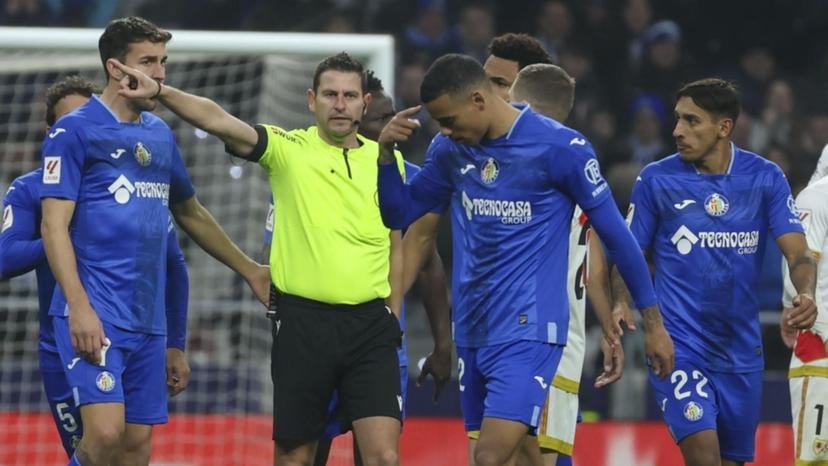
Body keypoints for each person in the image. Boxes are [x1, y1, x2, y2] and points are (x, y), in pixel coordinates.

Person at [376, 53, 674, 466]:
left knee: (490, 456)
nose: (445, 132)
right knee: (522, 456)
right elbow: (399, 213)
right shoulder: (449, 150)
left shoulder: (560, 148)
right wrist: (385, 156)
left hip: (530, 331)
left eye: (449, 120)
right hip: (474, 332)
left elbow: (617, 239)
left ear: (478, 100)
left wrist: (653, 323)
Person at [114, 52, 406, 466]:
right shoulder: (289, 150)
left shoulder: (387, 162)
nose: (340, 104)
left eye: (349, 95)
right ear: (311, 100)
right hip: (304, 324)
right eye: (330, 95)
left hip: (370, 328)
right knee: (294, 459)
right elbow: (218, 119)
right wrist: (160, 91)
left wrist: (394, 309)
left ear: (364, 101)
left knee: (384, 457)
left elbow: (402, 240)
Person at [39, 17, 269, 466]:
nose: (160, 73)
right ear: (115, 68)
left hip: (148, 320)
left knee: (134, 450)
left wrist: (250, 270)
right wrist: (79, 307)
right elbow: (53, 227)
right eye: (148, 62)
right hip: (96, 313)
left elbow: (190, 212)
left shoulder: (160, 134)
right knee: (103, 438)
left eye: (163, 62)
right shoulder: (75, 131)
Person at [620, 78, 818, 466]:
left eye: (691, 121)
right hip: (680, 346)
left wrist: (806, 293)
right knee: (704, 459)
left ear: (724, 127)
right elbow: (628, 254)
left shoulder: (765, 178)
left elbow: (798, 255)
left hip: (741, 351)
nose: (677, 131)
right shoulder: (657, 179)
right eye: (677, 120)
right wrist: (649, 323)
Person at [259, 70, 453, 466]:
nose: (393, 125)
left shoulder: (410, 181)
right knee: (310, 451)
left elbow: (431, 263)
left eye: (393, 114)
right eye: (382, 119)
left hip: (378, 335)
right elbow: (277, 256)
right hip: (317, 333)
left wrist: (442, 343)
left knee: (379, 455)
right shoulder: (305, 179)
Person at [0, 75, 190, 459]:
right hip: (64, 339)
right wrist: (61, 232)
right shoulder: (31, 190)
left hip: (130, 329)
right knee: (99, 444)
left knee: (130, 446)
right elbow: (5, 257)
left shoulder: (132, 188)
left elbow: (174, 263)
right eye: (71, 120)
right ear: (52, 131)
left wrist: (177, 342)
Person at [509, 63, 627, 466]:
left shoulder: (535, 166)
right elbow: (592, 266)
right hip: (565, 339)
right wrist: (610, 330)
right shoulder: (577, 168)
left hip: (541, 333)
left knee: (527, 454)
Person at [780, 151, 828, 466]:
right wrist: (793, 306)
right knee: (816, 459)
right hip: (821, 346)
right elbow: (799, 261)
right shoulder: (817, 197)